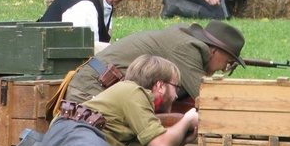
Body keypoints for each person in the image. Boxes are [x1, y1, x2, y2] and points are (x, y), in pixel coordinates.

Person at [0, 55, 199, 146]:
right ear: (160, 86)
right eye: (176, 87)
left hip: (88, 145)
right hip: (76, 130)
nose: (176, 94)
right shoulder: (132, 92)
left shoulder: (144, 113)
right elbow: (160, 144)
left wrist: (181, 137)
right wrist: (188, 118)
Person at [64, 20, 246, 105]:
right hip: (91, 90)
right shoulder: (186, 48)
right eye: (228, 62)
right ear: (213, 50)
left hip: (101, 86)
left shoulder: (185, 38)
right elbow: (208, 99)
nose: (225, 68)